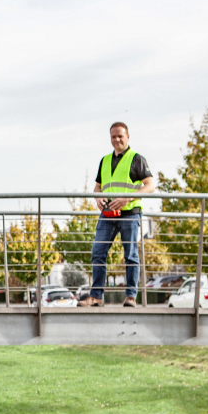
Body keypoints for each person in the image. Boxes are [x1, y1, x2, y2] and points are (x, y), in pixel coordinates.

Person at [78, 122, 156, 308]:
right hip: (107, 214)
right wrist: (98, 198)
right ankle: (96, 296)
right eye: (113, 136)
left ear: (128, 137)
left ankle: (131, 296)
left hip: (130, 213)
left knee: (130, 255)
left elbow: (151, 185)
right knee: (98, 252)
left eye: (120, 136)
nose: (117, 139)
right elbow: (98, 187)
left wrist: (127, 198)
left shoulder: (137, 159)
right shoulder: (104, 160)